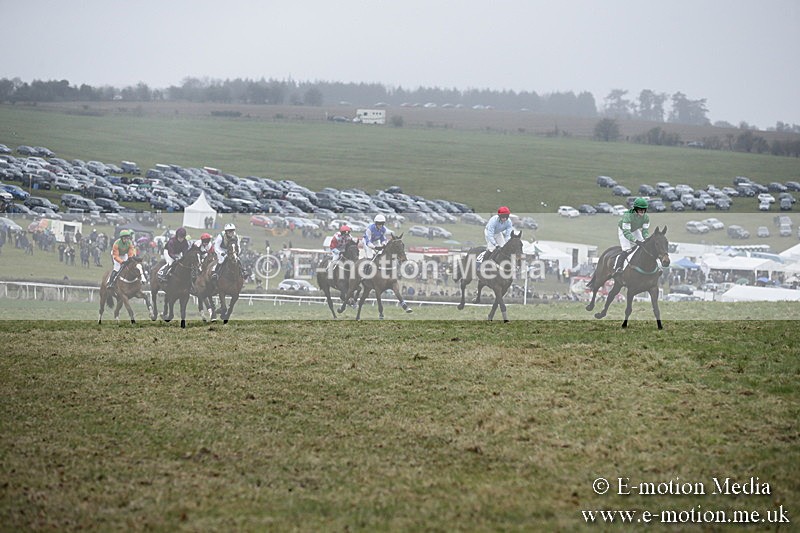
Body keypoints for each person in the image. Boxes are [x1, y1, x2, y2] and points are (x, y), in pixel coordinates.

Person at [613, 197, 651, 276]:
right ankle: (618, 267)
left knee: (644, 244)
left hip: (635, 229)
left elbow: (645, 232)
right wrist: (635, 240)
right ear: (635, 208)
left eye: (644, 209)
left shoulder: (646, 218)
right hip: (623, 230)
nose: (643, 211)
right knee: (627, 250)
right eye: (640, 209)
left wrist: (647, 238)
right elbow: (626, 233)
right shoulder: (628, 215)